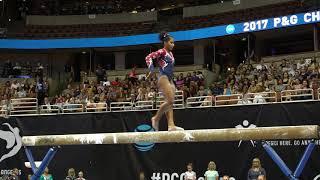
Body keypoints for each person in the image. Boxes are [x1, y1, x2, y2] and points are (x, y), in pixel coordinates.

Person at [145, 32, 183, 131]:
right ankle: (156, 118)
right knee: (170, 101)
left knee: (170, 103)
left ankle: (171, 125)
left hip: (170, 79)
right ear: (165, 42)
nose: (173, 44)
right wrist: (152, 70)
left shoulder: (170, 53)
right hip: (163, 78)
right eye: (171, 42)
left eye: (174, 43)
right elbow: (148, 57)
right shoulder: (161, 51)